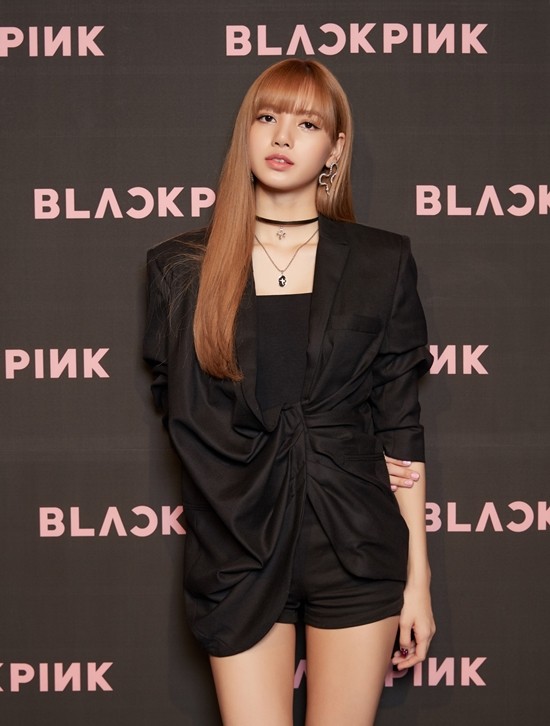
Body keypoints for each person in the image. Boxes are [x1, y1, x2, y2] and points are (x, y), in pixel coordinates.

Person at [144, 59, 435, 726]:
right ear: (245, 134)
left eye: (307, 124)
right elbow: (183, 418)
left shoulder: (382, 261)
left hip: (356, 543)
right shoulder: (180, 269)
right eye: (267, 117)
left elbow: (400, 427)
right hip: (238, 548)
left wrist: (417, 578)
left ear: (334, 149)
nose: (282, 136)